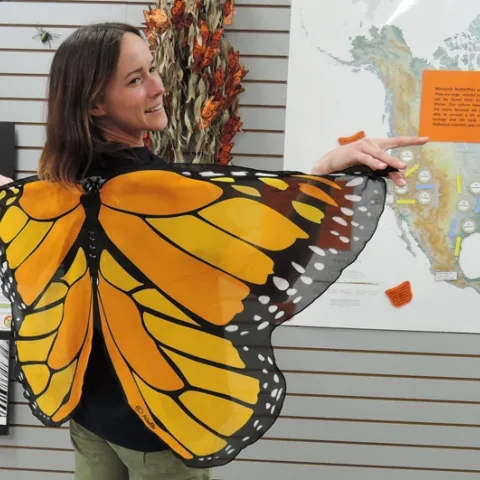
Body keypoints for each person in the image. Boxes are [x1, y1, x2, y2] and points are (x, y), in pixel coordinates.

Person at [0, 22, 428, 480]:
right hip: (160, 427)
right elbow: (268, 242)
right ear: (94, 104)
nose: (158, 87)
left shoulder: (52, 191)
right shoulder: (156, 195)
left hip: (85, 415)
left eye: (151, 70)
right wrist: (329, 177)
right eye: (136, 79)